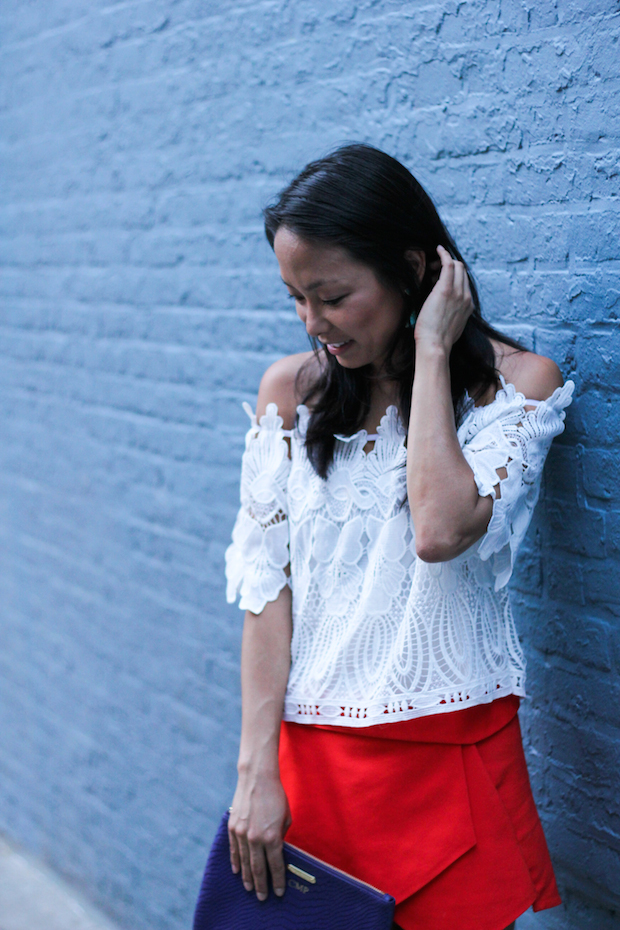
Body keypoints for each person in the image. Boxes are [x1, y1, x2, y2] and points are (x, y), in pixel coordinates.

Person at [224, 143, 573, 930]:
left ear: (414, 267)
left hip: (452, 762)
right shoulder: (291, 394)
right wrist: (255, 769)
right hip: (312, 769)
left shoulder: (518, 388)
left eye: (334, 296)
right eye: (297, 300)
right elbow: (264, 590)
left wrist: (431, 352)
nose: (315, 324)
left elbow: (440, 529)